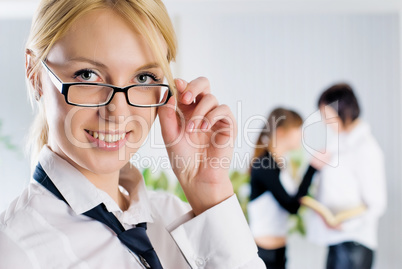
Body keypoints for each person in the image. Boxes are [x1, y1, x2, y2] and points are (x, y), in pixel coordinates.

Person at [0, 1, 265, 268]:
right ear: (34, 72)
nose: (117, 113)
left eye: (143, 78)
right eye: (87, 75)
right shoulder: (13, 249)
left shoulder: (178, 217)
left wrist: (211, 193)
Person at [305, 83, 387, 269]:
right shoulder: (340, 144)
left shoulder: (366, 148)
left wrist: (346, 225)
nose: (325, 122)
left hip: (354, 243)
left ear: (343, 110)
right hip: (338, 241)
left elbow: (377, 203)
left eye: (327, 115)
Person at [247, 108, 318, 269]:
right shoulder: (264, 165)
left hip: (279, 252)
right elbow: (291, 205)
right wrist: (312, 169)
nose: (302, 135)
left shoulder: (280, 166)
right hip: (264, 254)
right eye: (298, 129)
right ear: (281, 132)